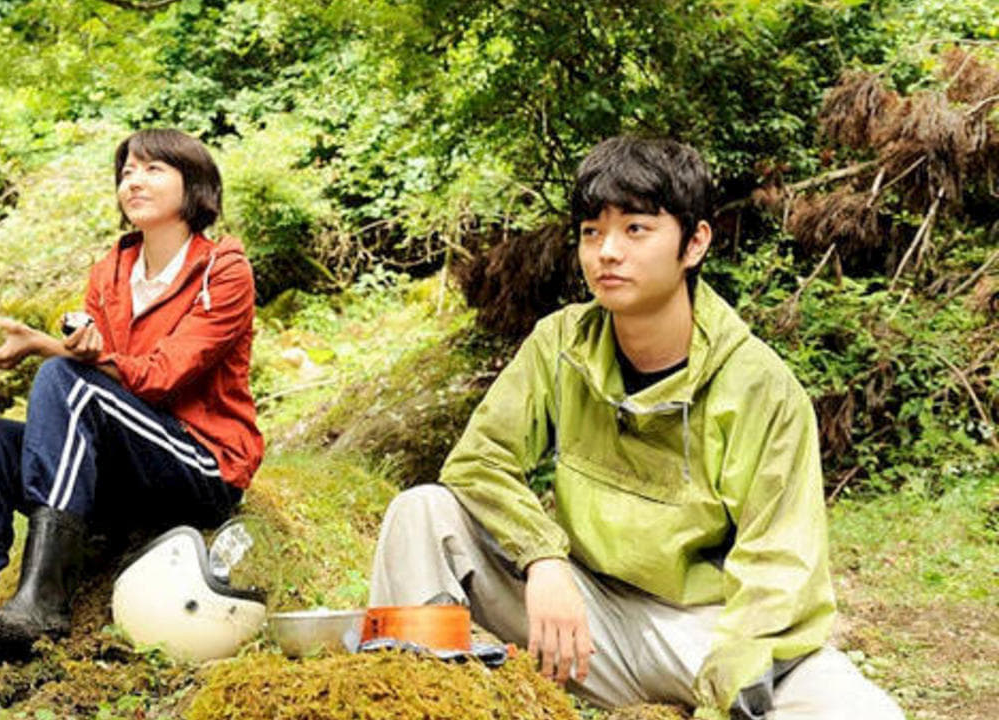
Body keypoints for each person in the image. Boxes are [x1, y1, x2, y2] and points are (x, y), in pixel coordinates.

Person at [368, 137, 903, 720]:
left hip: (708, 633)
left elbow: (779, 571)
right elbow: (478, 462)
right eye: (591, 232)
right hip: (579, 617)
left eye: (636, 230)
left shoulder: (760, 388)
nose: (607, 252)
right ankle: (418, 700)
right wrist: (543, 559)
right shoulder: (560, 344)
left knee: (865, 715)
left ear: (694, 243)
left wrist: (723, 694)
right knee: (422, 513)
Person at [0, 128, 263, 652]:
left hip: (199, 465)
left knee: (63, 379)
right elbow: (97, 371)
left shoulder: (223, 271)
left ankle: (44, 601)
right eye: (127, 172)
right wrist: (54, 344)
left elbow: (163, 375)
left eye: (153, 169)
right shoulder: (110, 273)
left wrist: (45, 348)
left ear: (194, 185)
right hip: (122, 469)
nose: (134, 181)